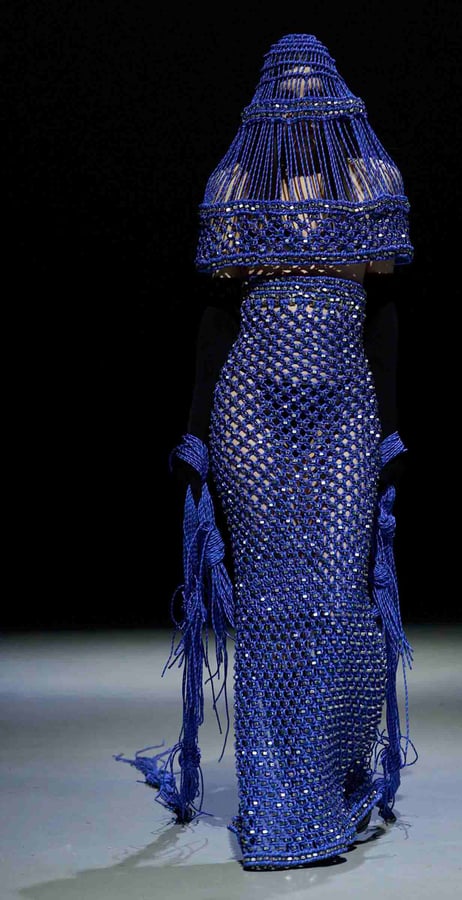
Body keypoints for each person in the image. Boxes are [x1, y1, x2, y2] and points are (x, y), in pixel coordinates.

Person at [115, 32, 418, 870]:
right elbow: (215, 318)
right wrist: (195, 429)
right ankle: (281, 810)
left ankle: (329, 770)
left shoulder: (371, 180)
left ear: (334, 91)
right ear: (267, 96)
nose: (298, 96)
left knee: (338, 593)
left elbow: (385, 310)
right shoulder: (236, 187)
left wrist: (391, 425)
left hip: (343, 405)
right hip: (251, 407)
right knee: (270, 601)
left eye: (311, 82)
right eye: (287, 83)